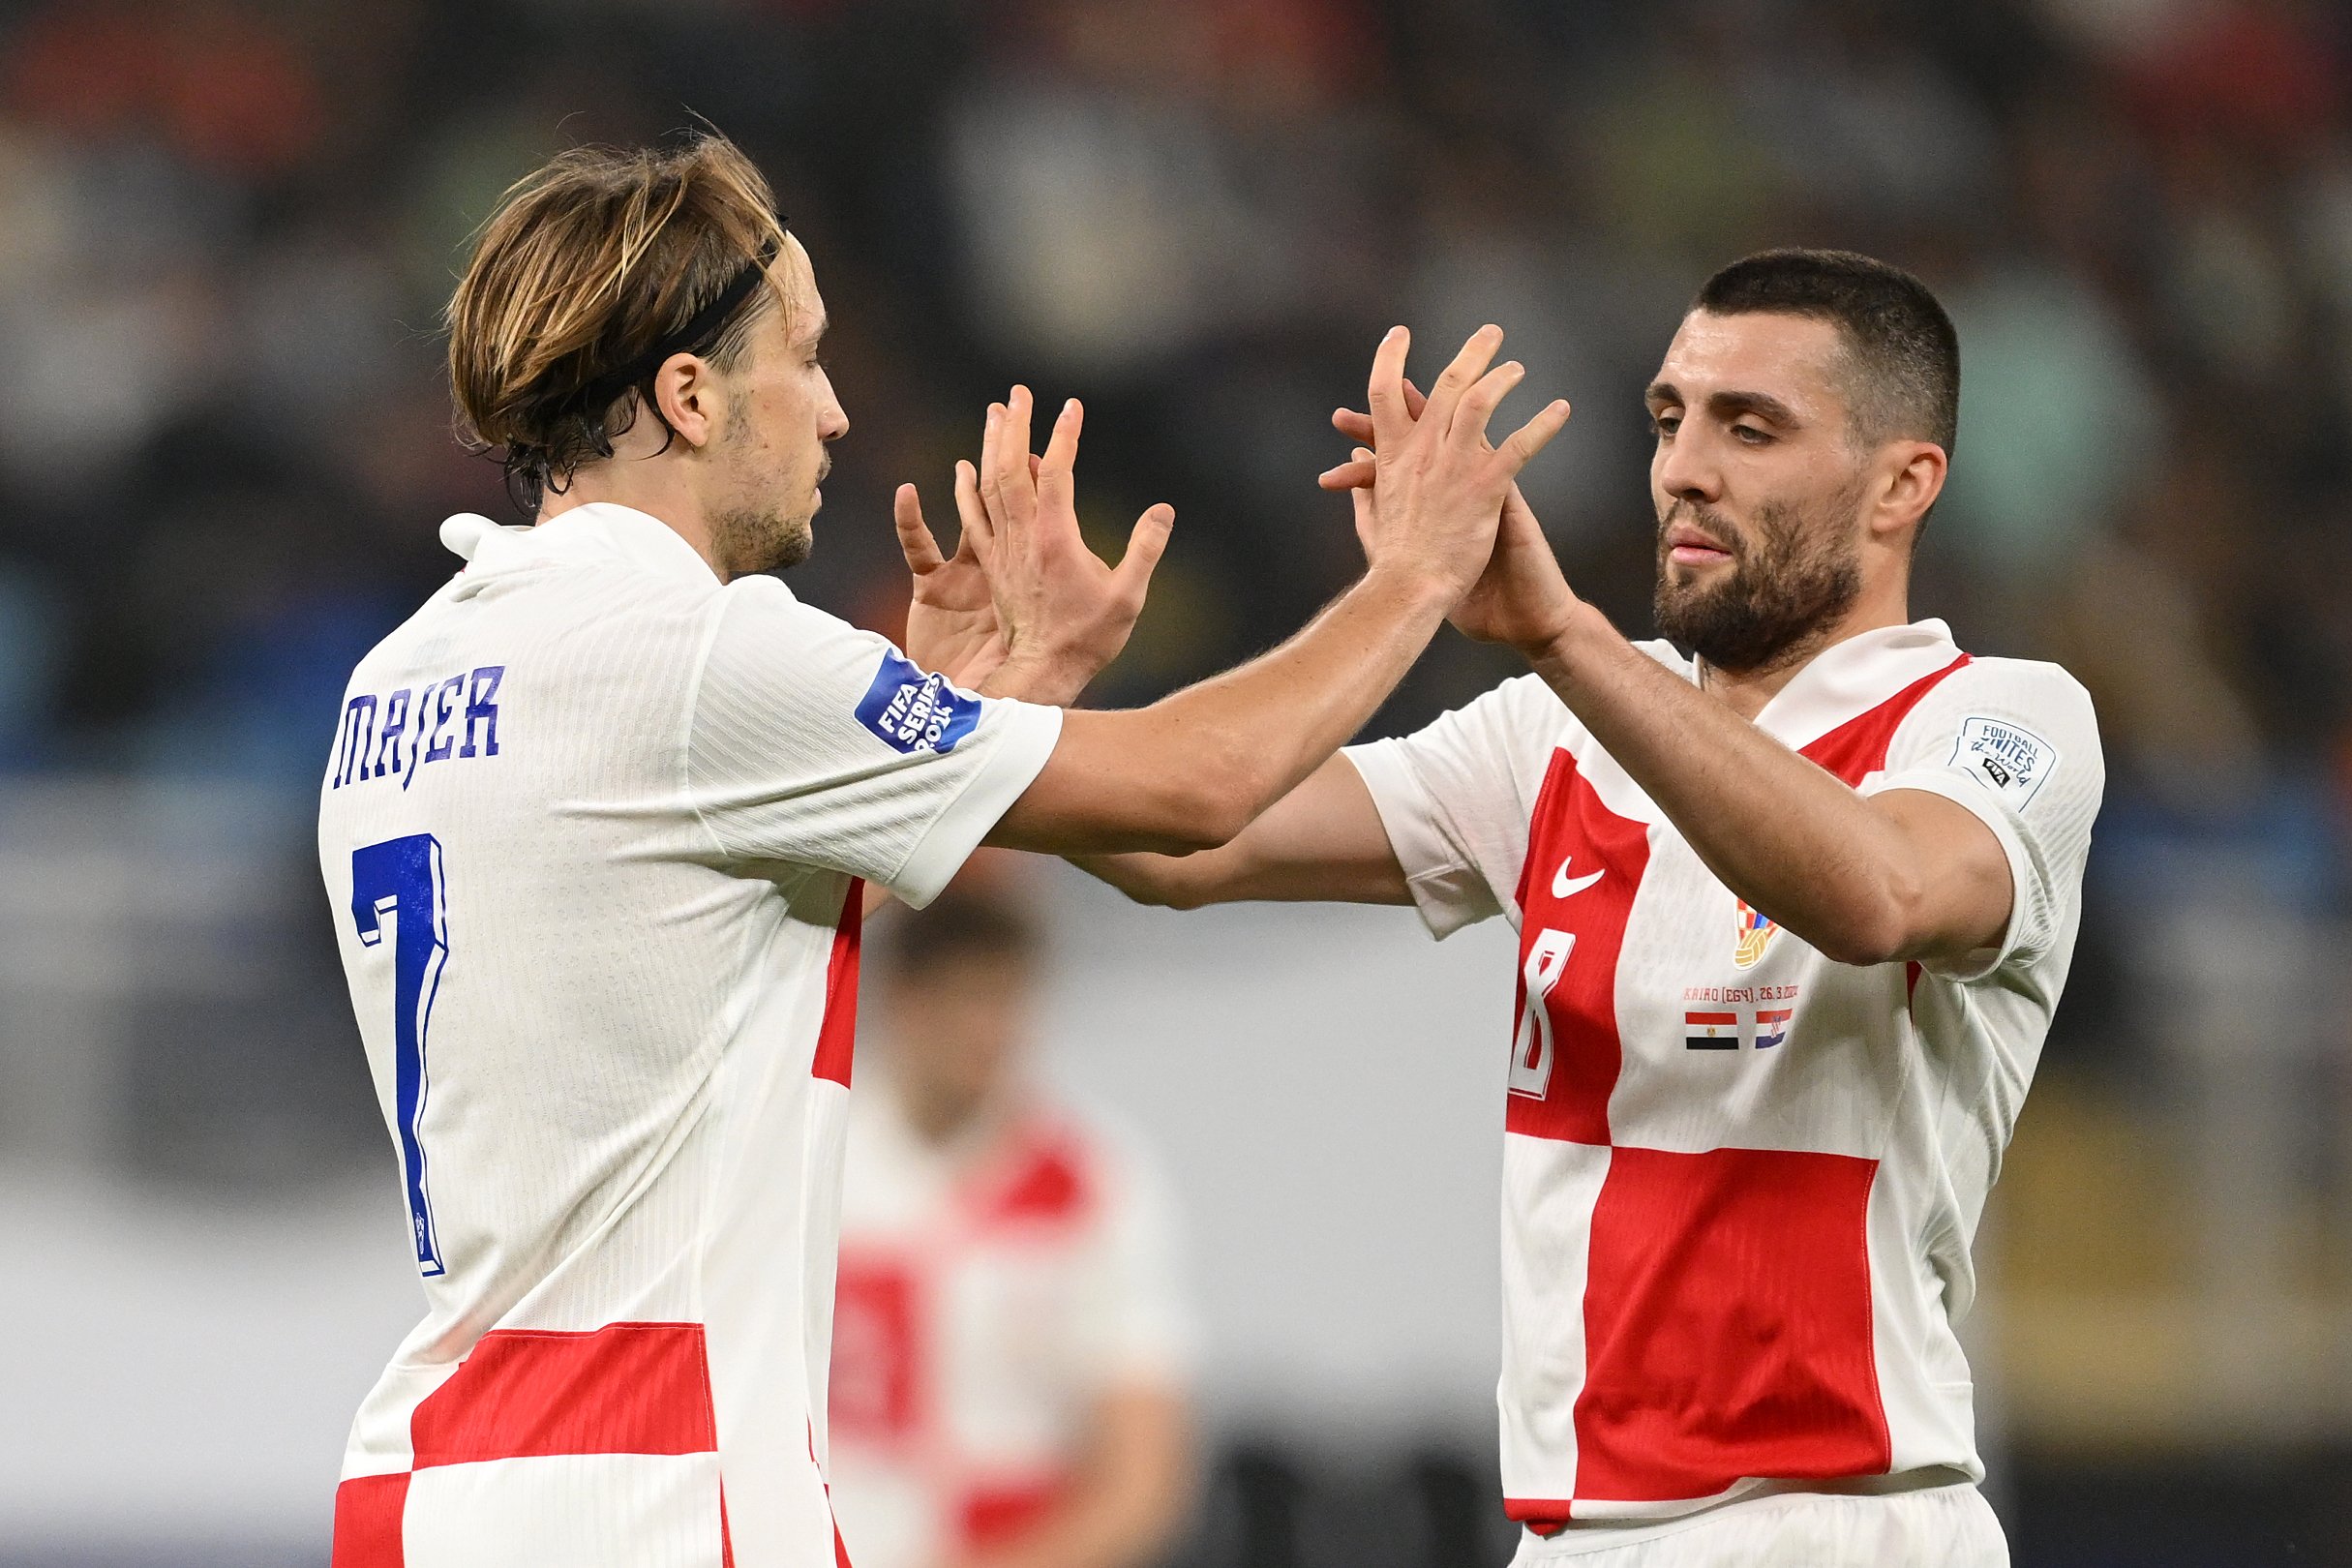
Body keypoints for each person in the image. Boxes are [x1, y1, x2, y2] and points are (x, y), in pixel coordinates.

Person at [316, 131, 1568, 1568]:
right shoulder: (702, 659)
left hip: (428, 1488)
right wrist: (1414, 569)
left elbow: (677, 951)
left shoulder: (398, 682)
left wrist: (977, 712)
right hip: (659, 1488)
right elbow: (1196, 786)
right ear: (688, 395)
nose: (836, 412)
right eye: (802, 354)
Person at [1077, 250, 2103, 1567]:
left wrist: (1564, 638)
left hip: (1835, 1521)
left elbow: (1876, 892)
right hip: (1575, 1536)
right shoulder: (1549, 742)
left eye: (1751, 427)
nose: (1683, 466)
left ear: (1903, 484)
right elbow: (1186, 844)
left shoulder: (1996, 720)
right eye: (1668, 419)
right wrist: (1017, 707)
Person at [829, 869, 1193, 1568]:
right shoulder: (814, 1159)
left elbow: (1144, 1479)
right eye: (965, 999)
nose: (989, 1032)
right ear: (903, 1001)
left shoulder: (1091, 1182)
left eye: (1006, 998)